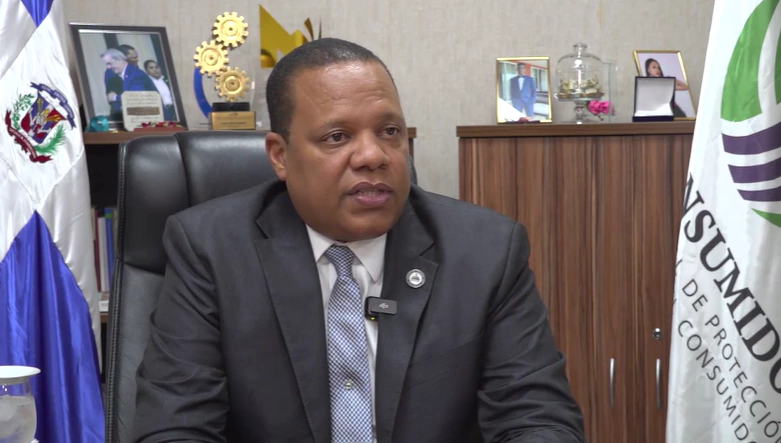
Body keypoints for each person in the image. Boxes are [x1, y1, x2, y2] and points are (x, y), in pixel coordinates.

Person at [132, 37, 585, 442]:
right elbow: (175, 427)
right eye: (337, 137)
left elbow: (537, 417)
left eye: (389, 132)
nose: (373, 155)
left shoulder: (486, 250)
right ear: (280, 156)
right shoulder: (209, 249)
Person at [101, 48, 157, 117]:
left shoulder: (135, 74)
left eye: (109, 63)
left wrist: (115, 97)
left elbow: (137, 97)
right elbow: (111, 99)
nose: (108, 67)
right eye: (106, 64)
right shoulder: (116, 77)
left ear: (119, 59)